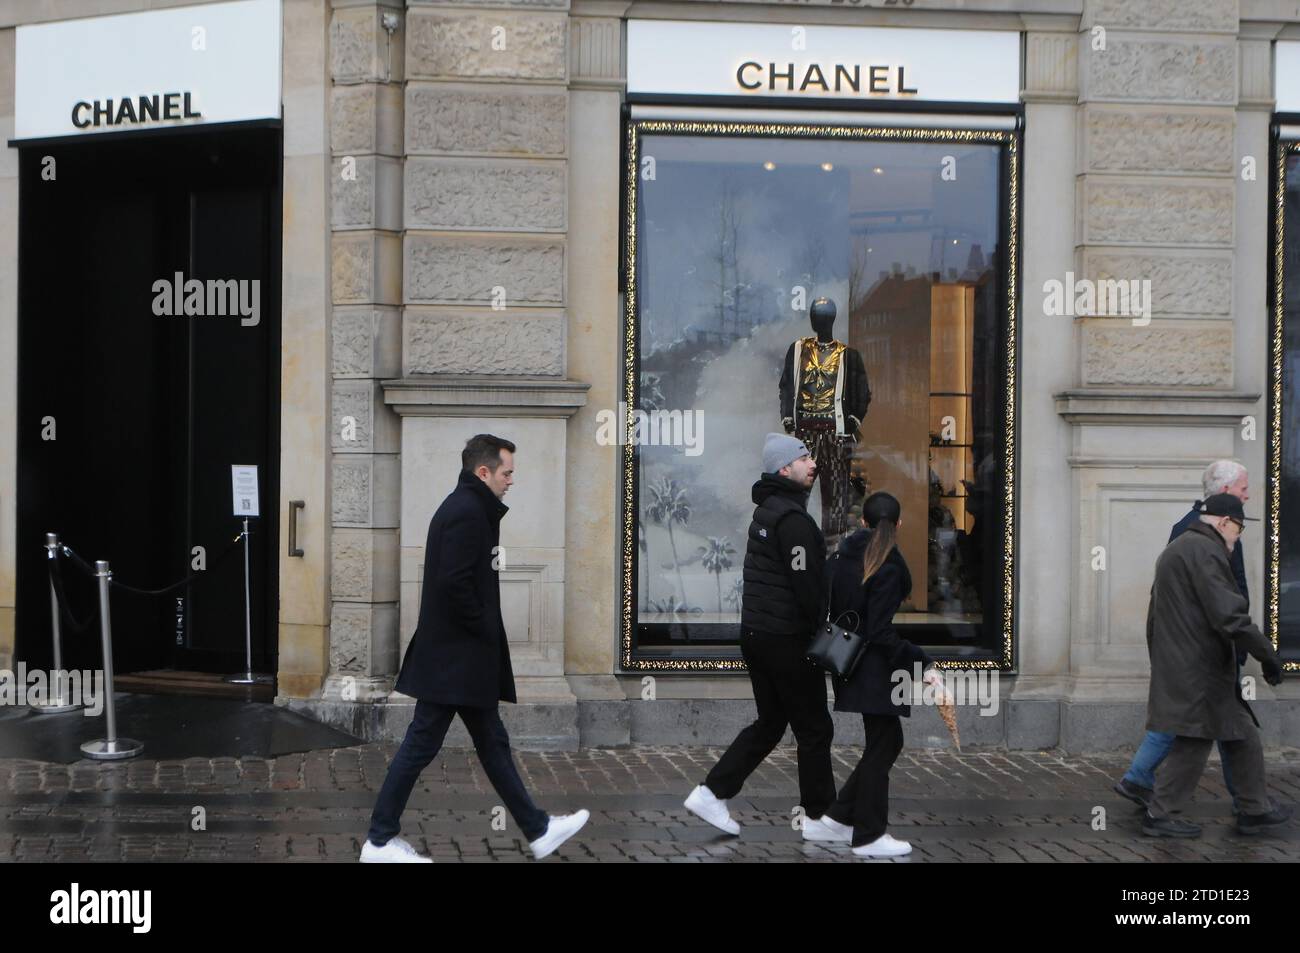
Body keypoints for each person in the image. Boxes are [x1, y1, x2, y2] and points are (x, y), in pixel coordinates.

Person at [360, 434, 589, 862]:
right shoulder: (467, 512)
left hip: (457, 657)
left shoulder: (465, 507)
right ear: (483, 472)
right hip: (456, 659)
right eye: (507, 472)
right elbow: (454, 584)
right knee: (422, 745)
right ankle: (378, 841)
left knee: (490, 742)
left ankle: (537, 829)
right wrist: (484, 629)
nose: (511, 480)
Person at [683, 433, 836, 837]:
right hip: (788, 639)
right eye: (804, 458)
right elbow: (806, 587)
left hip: (757, 634)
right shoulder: (792, 519)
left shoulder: (768, 511)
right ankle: (820, 818)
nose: (813, 463)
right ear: (785, 468)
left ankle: (711, 793)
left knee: (771, 722)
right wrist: (821, 632)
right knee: (815, 729)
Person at [1141, 493, 1290, 838]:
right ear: (1224, 522)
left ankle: (1254, 808)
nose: (1239, 536)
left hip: (1190, 664)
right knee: (1194, 739)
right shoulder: (1206, 552)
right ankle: (1160, 814)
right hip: (1198, 668)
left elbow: (1153, 617)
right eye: (1239, 528)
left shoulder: (1181, 548)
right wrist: (1268, 655)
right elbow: (1230, 616)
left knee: (1241, 733)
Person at [812, 492, 943, 857]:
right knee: (883, 746)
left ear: (863, 522)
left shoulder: (841, 556)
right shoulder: (886, 566)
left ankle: (837, 819)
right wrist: (923, 665)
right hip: (872, 668)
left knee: (887, 743)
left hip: (848, 660)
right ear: (898, 525)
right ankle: (869, 835)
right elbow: (881, 634)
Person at [1115, 460, 1251, 811]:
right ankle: (1247, 805)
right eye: (1243, 489)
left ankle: (1249, 803)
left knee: (1206, 722)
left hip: (1203, 644)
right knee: (1199, 724)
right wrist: (1242, 639)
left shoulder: (1201, 525)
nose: (1248, 495)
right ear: (1225, 492)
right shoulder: (1202, 530)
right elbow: (1207, 595)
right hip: (1203, 647)